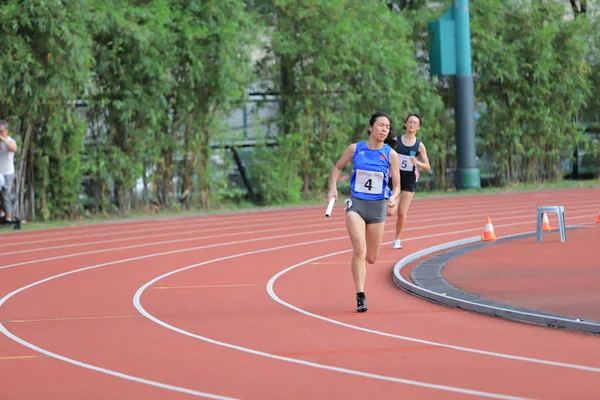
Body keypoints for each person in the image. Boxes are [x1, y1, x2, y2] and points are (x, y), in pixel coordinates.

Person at [327, 111, 400, 312]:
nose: (384, 129)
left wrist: (393, 197)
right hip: (357, 205)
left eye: (387, 127)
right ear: (370, 127)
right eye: (380, 125)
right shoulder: (355, 149)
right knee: (359, 248)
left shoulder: (390, 154)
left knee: (372, 258)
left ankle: (365, 264)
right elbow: (337, 167)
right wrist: (333, 188)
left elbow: (397, 186)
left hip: (378, 207)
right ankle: (360, 295)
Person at [386, 113, 430, 249]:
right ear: (405, 124)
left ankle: (397, 239)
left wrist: (417, 162)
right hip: (394, 177)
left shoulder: (419, 146)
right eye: (409, 122)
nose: (412, 124)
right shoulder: (395, 140)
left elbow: (427, 167)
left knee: (402, 212)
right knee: (389, 211)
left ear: (419, 127)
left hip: (409, 179)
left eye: (415, 123)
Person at [0, 120, 18, 223]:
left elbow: (13, 149)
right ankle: (2, 215)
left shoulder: (11, 141)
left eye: (1, 130)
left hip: (8, 173)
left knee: (6, 195)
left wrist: (3, 139)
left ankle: (9, 217)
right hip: (0, 173)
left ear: (6, 130)